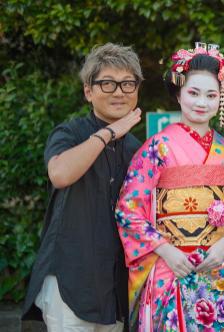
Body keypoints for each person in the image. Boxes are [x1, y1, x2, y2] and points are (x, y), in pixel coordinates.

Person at [115, 42, 224, 331]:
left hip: (221, 269)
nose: (201, 102)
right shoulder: (156, 147)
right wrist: (167, 251)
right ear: (179, 93)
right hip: (172, 267)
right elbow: (128, 211)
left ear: (222, 99)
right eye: (193, 93)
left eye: (211, 95)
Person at [22, 43, 143, 331]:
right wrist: (109, 133)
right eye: (108, 83)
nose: (119, 91)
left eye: (128, 83)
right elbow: (60, 174)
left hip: (115, 287)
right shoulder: (70, 133)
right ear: (89, 91)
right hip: (70, 280)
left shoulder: (138, 149)